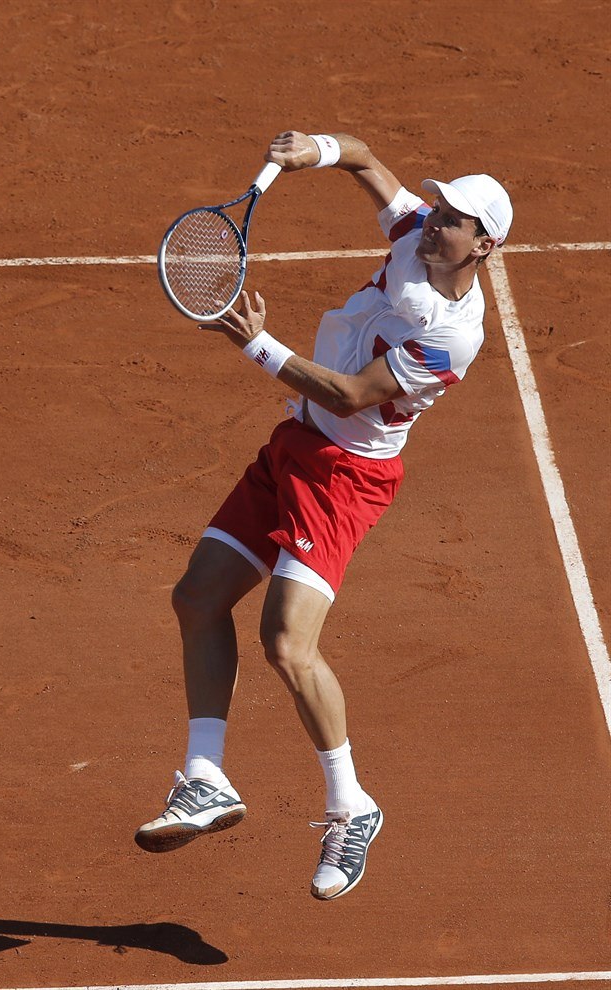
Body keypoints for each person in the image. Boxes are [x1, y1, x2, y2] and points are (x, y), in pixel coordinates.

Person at [133, 130, 513, 901]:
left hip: (345, 477)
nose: (433, 219)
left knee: (286, 641)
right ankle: (205, 776)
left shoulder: (452, 338)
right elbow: (367, 159)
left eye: (453, 218)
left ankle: (351, 805)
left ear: (482, 245)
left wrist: (258, 345)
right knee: (198, 597)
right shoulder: (416, 234)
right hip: (296, 445)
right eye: (438, 207)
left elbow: (350, 396)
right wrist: (316, 148)